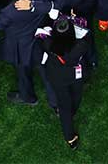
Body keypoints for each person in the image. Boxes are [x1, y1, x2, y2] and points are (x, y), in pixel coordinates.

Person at [0, 0, 54, 105]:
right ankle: (56, 104)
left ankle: (29, 98)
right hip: (42, 42)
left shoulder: (9, 11)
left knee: (23, 74)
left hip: (20, 49)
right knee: (47, 74)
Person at [38, 16, 90, 150]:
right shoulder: (81, 46)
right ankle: (72, 112)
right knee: (77, 95)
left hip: (57, 76)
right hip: (74, 76)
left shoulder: (48, 44)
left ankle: (70, 137)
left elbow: (41, 34)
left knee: (63, 103)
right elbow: (84, 27)